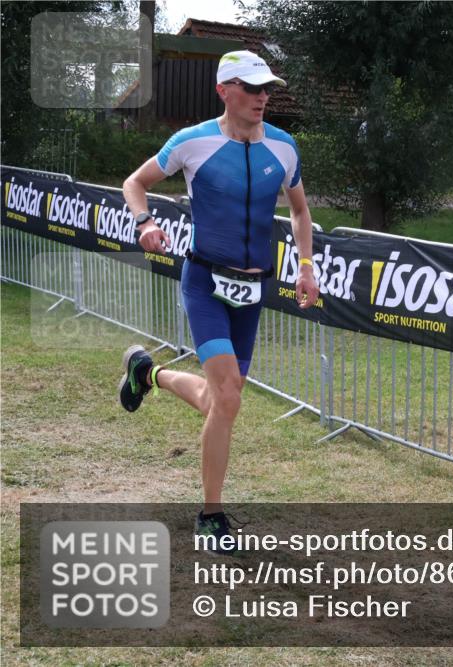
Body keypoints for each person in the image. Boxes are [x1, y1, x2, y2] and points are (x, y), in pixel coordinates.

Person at [120, 50, 319, 551]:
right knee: (228, 395)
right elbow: (135, 183)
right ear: (223, 90)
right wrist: (145, 222)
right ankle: (211, 515)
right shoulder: (193, 143)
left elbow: (299, 211)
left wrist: (306, 265)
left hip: (253, 289)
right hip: (205, 281)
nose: (262, 97)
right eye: (252, 89)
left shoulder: (285, 148)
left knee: (218, 401)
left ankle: (149, 374)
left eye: (266, 88)